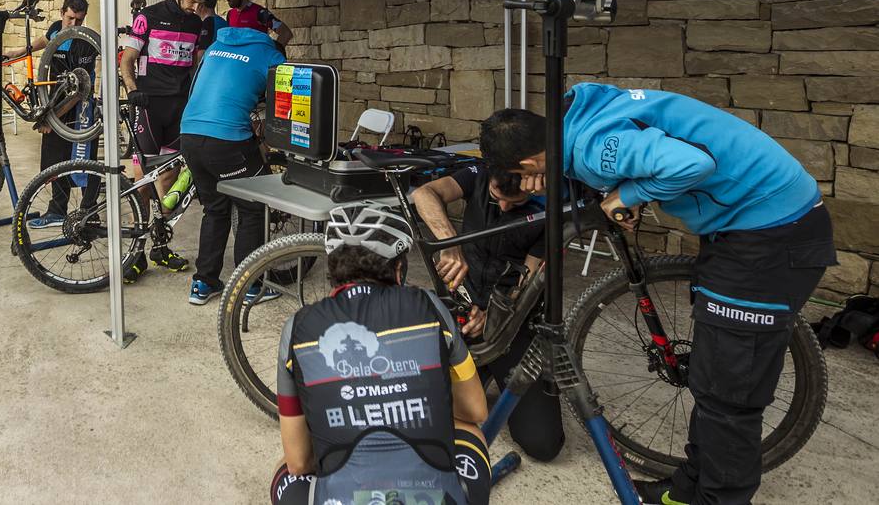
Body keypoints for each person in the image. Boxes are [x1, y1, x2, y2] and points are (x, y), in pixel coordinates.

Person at [479, 85, 838, 505]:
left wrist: (627, 196)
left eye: (523, 175)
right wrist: (564, 181)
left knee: (730, 394)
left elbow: (692, 163)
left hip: (770, 235)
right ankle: (688, 488)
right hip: (746, 227)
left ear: (527, 162)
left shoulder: (595, 146)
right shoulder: (574, 120)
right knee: (711, 375)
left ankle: (719, 499)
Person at [272, 202, 491, 505]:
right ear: (398, 268)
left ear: (334, 268)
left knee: (286, 468)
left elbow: (299, 461)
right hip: (432, 498)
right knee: (470, 432)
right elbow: (475, 410)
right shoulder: (430, 306)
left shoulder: (298, 327)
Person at [412, 163, 564, 462]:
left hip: (512, 323)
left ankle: (491, 373)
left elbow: (526, 281)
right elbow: (424, 193)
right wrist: (449, 243)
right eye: (498, 196)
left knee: (543, 444)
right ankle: (478, 374)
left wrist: (493, 315)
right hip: (461, 313)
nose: (505, 206)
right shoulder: (477, 173)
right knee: (422, 417)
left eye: (517, 201)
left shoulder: (550, 204)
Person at [117, 0, 212, 280]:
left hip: (178, 107)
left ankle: (158, 246)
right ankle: (137, 252)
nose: (196, 8)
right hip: (147, 106)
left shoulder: (197, 24)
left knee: (169, 176)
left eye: (202, 4)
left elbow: (196, 65)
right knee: (143, 178)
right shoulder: (149, 17)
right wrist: (133, 91)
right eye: (192, 2)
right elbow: (126, 60)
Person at [179, 24, 286, 305]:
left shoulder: (216, 46)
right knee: (254, 207)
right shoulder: (271, 55)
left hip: (189, 133)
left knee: (215, 208)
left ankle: (204, 283)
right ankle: (250, 286)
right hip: (225, 138)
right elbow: (283, 104)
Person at [4, 0, 99, 229]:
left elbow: (80, 89)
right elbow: (47, 39)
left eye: (79, 20)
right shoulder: (58, 28)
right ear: (61, 13)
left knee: (83, 160)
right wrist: (20, 51)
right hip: (54, 102)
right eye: (70, 19)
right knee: (54, 161)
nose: (73, 25)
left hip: (79, 108)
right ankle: (58, 211)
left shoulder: (84, 42)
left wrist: (51, 118)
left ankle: (89, 212)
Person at [221, 0, 292, 51]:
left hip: (255, 61)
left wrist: (271, 53)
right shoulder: (230, 14)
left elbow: (286, 33)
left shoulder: (260, 12)